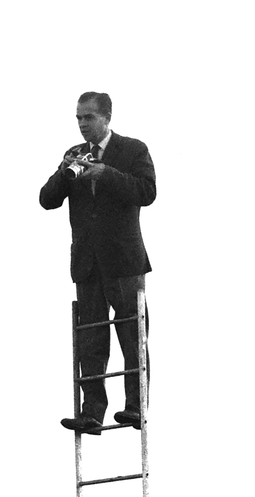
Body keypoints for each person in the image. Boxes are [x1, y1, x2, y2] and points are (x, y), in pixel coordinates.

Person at [39, 91, 156, 434]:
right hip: (87, 264)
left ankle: (135, 406)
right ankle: (92, 411)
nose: (82, 124)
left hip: (123, 260)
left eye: (88, 117)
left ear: (106, 118)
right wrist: (65, 173)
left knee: (132, 333)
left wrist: (106, 174)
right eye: (78, 118)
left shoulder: (132, 150)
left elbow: (147, 192)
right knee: (91, 339)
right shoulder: (75, 154)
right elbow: (47, 200)